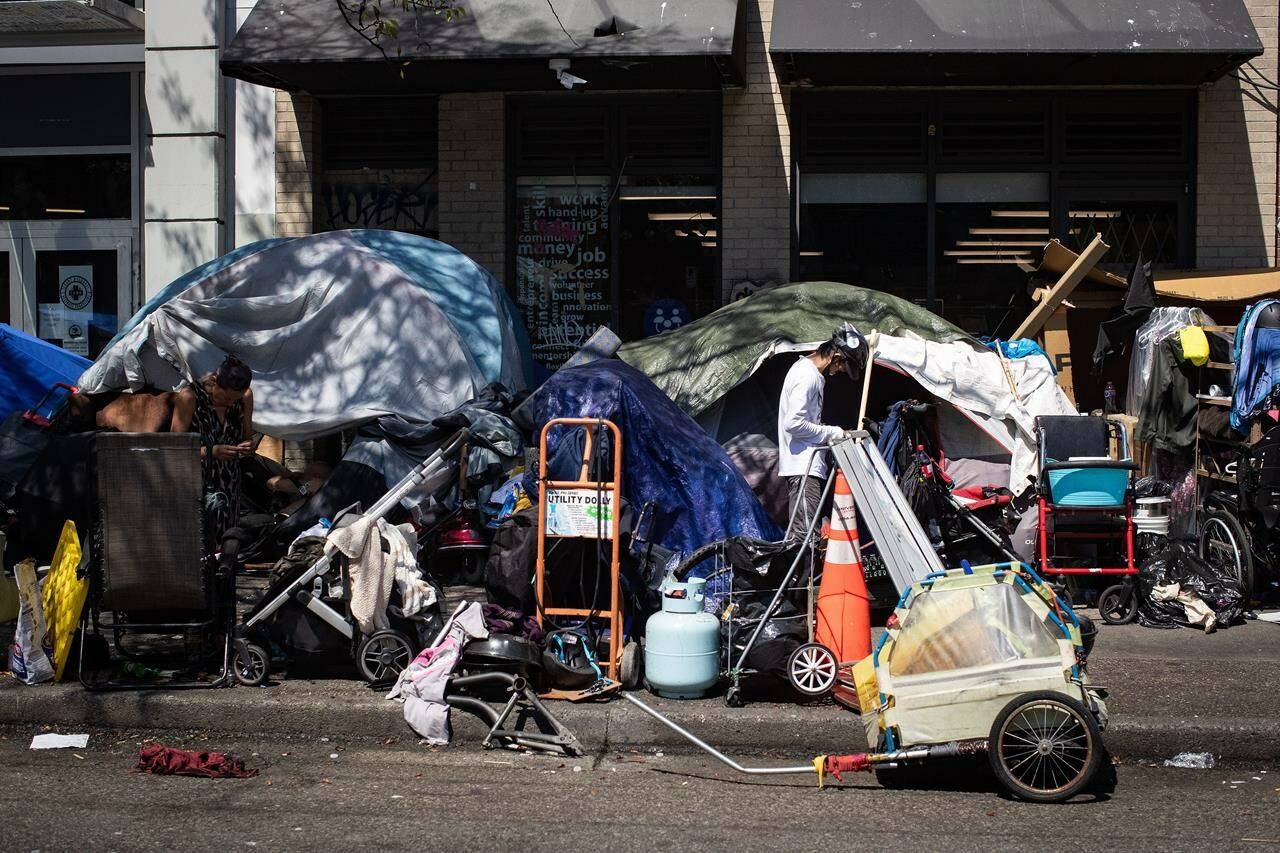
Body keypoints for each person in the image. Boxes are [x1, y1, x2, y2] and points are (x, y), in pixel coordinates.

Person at [777, 324, 866, 541]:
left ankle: (803, 573)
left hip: (808, 465)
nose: (841, 371)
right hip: (803, 467)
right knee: (805, 537)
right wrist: (832, 432)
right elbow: (794, 424)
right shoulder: (806, 376)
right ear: (836, 356)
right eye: (844, 366)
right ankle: (801, 575)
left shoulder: (812, 375)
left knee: (807, 534)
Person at [170, 354, 255, 548]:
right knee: (199, 543)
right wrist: (210, 452)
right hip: (197, 484)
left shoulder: (245, 397)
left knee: (227, 543)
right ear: (214, 381)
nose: (231, 404)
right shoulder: (189, 398)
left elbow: (247, 435)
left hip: (230, 483)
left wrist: (248, 445)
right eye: (226, 397)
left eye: (236, 399)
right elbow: (174, 448)